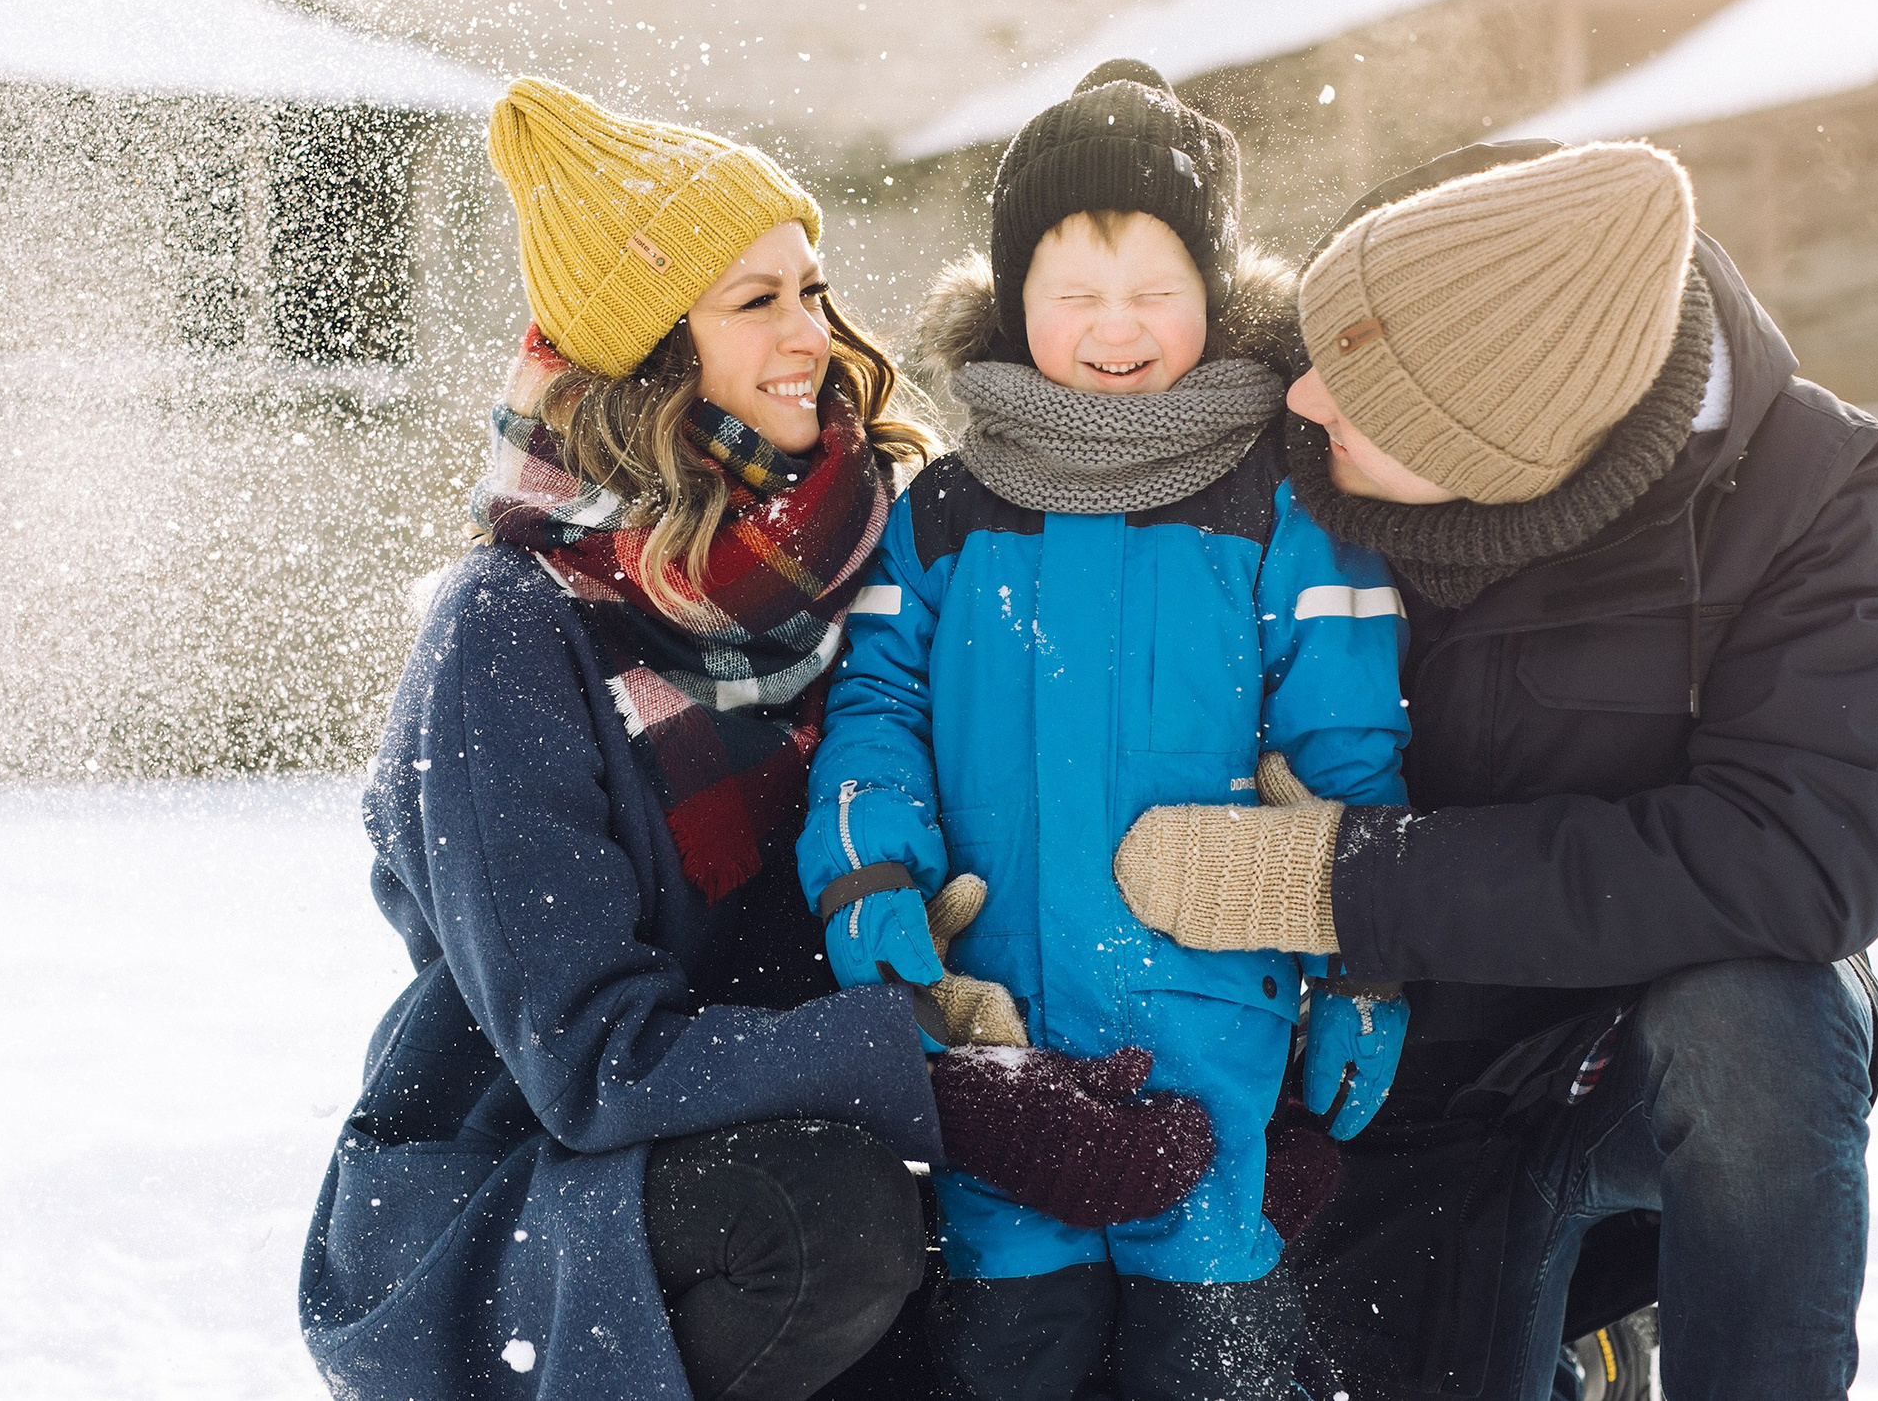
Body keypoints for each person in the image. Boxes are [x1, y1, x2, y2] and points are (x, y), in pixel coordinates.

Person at [300, 77, 1216, 1401]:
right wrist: (944, 1085)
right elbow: (592, 1059)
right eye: (755, 301)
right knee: (829, 1220)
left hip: (831, 1112)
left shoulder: (879, 546)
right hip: (546, 1184)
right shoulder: (512, 628)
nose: (815, 334)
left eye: (812, 286)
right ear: (655, 351)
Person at [1116, 140, 1878, 1401]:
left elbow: (1806, 853)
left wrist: (1345, 886)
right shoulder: (1381, 314)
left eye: (1360, 408)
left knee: (1764, 1019)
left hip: (1605, 1045)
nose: (1301, 401)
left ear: (1502, 467)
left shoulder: (1797, 489)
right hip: (1359, 1069)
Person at [801, 61, 1415, 1401]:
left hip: (1219, 1031)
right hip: (1002, 1031)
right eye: (1076, 294)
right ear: (1018, 304)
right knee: (1016, 1348)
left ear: (1216, 292)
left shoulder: (1282, 510)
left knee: (1214, 1352)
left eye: (1156, 290)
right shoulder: (950, 516)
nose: (1117, 327)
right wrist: (870, 876)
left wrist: (1368, 957)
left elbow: (1347, 748)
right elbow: (878, 706)